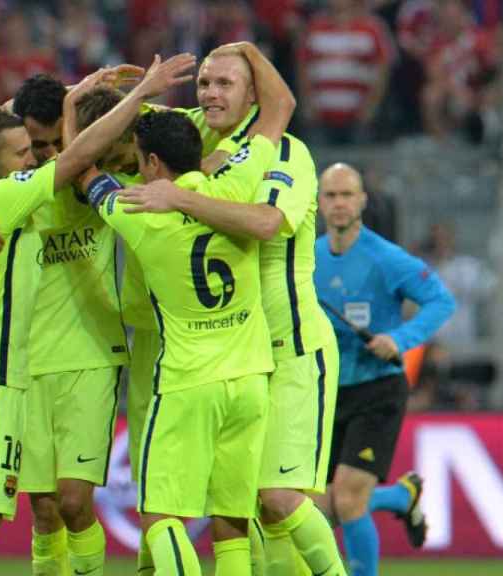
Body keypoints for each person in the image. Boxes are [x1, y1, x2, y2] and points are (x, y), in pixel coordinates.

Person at [0, 53, 196, 576]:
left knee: (74, 502)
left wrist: (80, 95)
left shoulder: (78, 176)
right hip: (21, 363)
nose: (33, 157)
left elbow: (72, 143)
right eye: (23, 149)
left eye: (38, 146)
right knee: (38, 510)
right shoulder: (9, 189)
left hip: (85, 355)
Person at [117, 42, 348, 575]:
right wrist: (120, 96)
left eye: (226, 84)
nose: (212, 94)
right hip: (228, 355)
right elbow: (115, 131)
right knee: (234, 513)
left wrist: (180, 198)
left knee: (277, 498)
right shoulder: (191, 134)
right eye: (205, 83)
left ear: (252, 94)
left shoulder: (285, 152)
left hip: (289, 347)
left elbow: (267, 224)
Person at [84, 98, 288, 575]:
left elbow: (81, 169)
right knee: (232, 519)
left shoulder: (137, 212)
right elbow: (279, 109)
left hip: (187, 381)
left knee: (159, 514)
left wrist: (82, 104)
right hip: (251, 380)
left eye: (139, 159)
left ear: (152, 163)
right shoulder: (236, 186)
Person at [313, 162, 455, 576]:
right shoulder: (309, 258)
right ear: (319, 203)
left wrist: (400, 340)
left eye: (347, 195)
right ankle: (398, 498)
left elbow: (440, 300)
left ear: (362, 201)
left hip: (377, 389)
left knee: (350, 500)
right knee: (318, 509)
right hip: (326, 393)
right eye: (331, 196)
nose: (339, 204)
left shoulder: (386, 258)